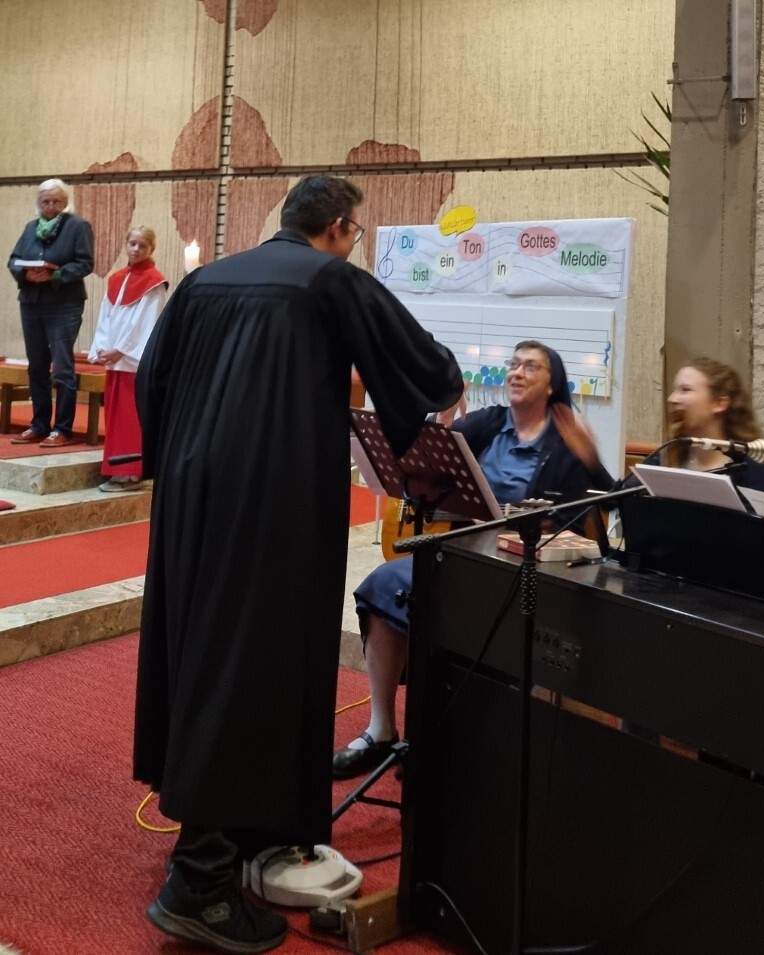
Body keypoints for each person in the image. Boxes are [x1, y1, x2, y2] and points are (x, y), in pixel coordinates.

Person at [133, 175, 464, 954]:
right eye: (356, 232)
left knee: (202, 649)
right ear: (340, 228)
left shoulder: (207, 280)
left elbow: (151, 380)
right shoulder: (329, 281)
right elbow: (427, 370)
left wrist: (183, 462)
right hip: (270, 496)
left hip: (190, 493)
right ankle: (200, 880)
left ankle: (246, 832)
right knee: (250, 663)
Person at [332, 340, 615, 780]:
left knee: (443, 607)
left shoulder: (565, 443)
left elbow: (602, 508)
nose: (517, 372)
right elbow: (428, 461)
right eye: (514, 364)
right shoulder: (490, 422)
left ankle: (448, 738)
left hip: (519, 569)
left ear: (552, 385)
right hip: (462, 553)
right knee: (384, 584)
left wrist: (592, 463)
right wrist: (439, 426)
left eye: (531, 367)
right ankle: (382, 728)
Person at [7, 179, 94, 447]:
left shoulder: (77, 226)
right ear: (39, 203)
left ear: (65, 202)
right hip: (31, 302)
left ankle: (62, 429)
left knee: (62, 367)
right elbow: (13, 259)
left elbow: (85, 263)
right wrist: (25, 274)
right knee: (36, 366)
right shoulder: (30, 228)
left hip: (64, 304)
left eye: (56, 201)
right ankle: (39, 424)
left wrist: (55, 275)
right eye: (45, 201)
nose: (51, 206)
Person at [88, 226, 168, 491]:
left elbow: (146, 323)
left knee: (129, 417)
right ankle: (116, 470)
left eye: (142, 245)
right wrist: (102, 348)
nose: (136, 249)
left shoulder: (154, 282)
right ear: (126, 244)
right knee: (114, 417)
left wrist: (121, 350)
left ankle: (130, 474)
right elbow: (106, 317)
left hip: (133, 362)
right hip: (115, 360)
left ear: (151, 249)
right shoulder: (116, 279)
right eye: (132, 243)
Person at [664, 356, 764, 491]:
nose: (672, 399)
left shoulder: (749, 467)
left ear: (719, 403)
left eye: (685, 390)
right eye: (674, 390)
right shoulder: (665, 456)